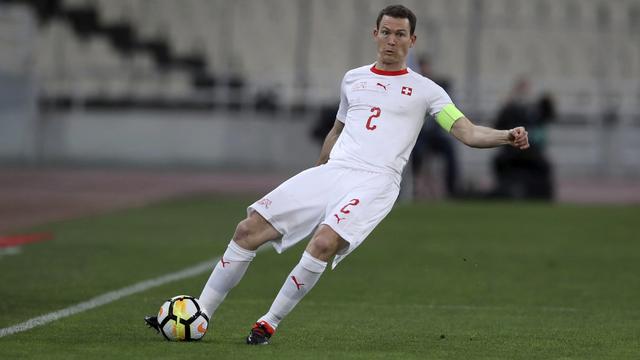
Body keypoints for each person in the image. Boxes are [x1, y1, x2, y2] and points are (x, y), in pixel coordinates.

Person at [145, 4, 530, 345]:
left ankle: (269, 321)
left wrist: (505, 137)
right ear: (374, 34)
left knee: (323, 242)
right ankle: (203, 314)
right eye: (385, 32)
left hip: (377, 181)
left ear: (412, 40)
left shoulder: (427, 91)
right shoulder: (353, 79)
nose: (391, 41)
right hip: (334, 171)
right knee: (248, 230)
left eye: (400, 34)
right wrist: (318, 172)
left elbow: (466, 131)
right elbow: (337, 129)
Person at [410, 54, 459, 198]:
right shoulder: (412, 88)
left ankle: (451, 190)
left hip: (434, 134)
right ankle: (415, 188)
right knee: (416, 152)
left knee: (450, 150)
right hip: (418, 135)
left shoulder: (436, 88)